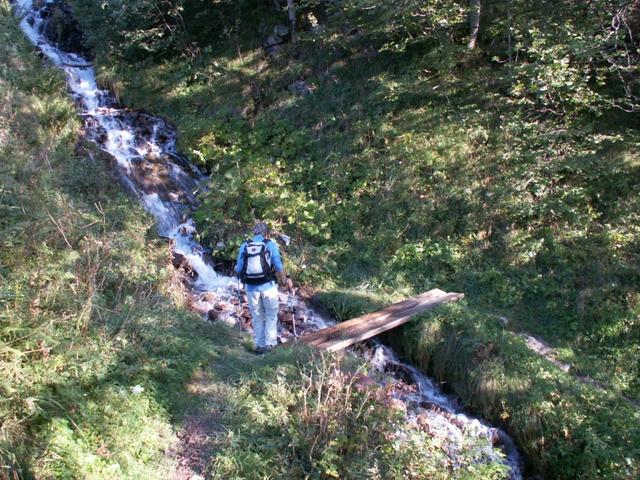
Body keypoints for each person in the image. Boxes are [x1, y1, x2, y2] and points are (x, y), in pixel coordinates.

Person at [235, 222, 291, 354]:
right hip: (268, 287)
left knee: (257, 316)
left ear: (254, 232)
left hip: (250, 288)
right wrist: (284, 280)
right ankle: (270, 344)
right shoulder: (269, 245)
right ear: (267, 233)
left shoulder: (244, 246)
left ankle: (259, 345)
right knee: (271, 315)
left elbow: (238, 268)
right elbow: (277, 265)